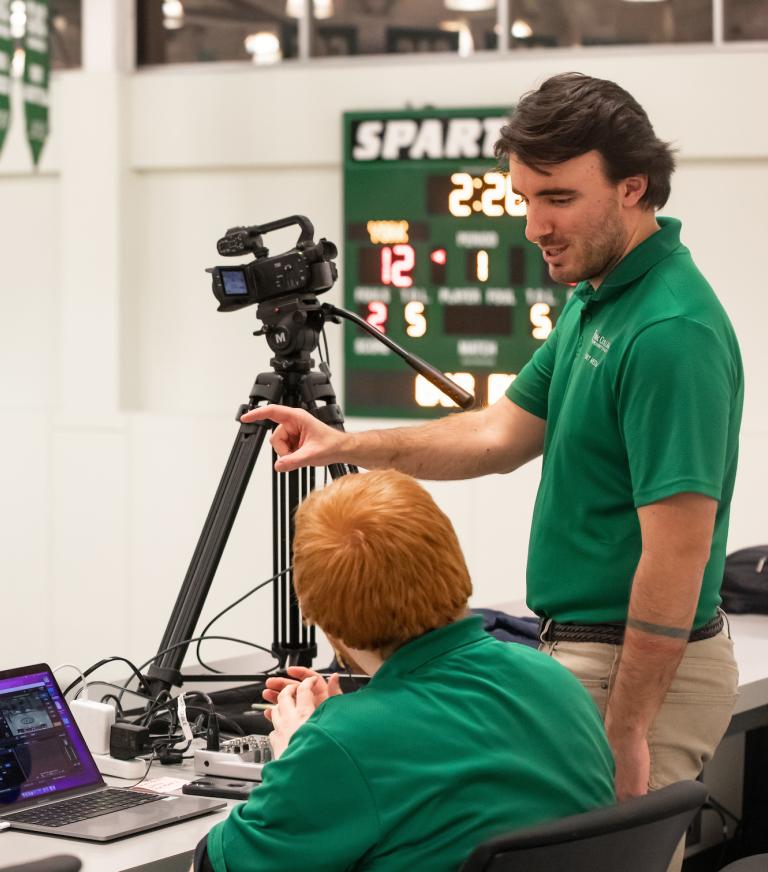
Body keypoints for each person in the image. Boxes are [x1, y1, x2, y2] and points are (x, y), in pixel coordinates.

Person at [241, 72, 743, 870]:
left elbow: (678, 552)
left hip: (636, 668)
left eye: (558, 197)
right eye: (524, 198)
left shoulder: (669, 331)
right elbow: (497, 435)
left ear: (634, 186)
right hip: (582, 653)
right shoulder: (598, 298)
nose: (536, 224)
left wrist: (628, 729)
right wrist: (344, 445)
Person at [193, 470, 615, 872]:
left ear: (321, 614)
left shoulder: (340, 745)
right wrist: (341, 734)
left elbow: (210, 866)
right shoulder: (556, 681)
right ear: (451, 558)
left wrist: (294, 755)